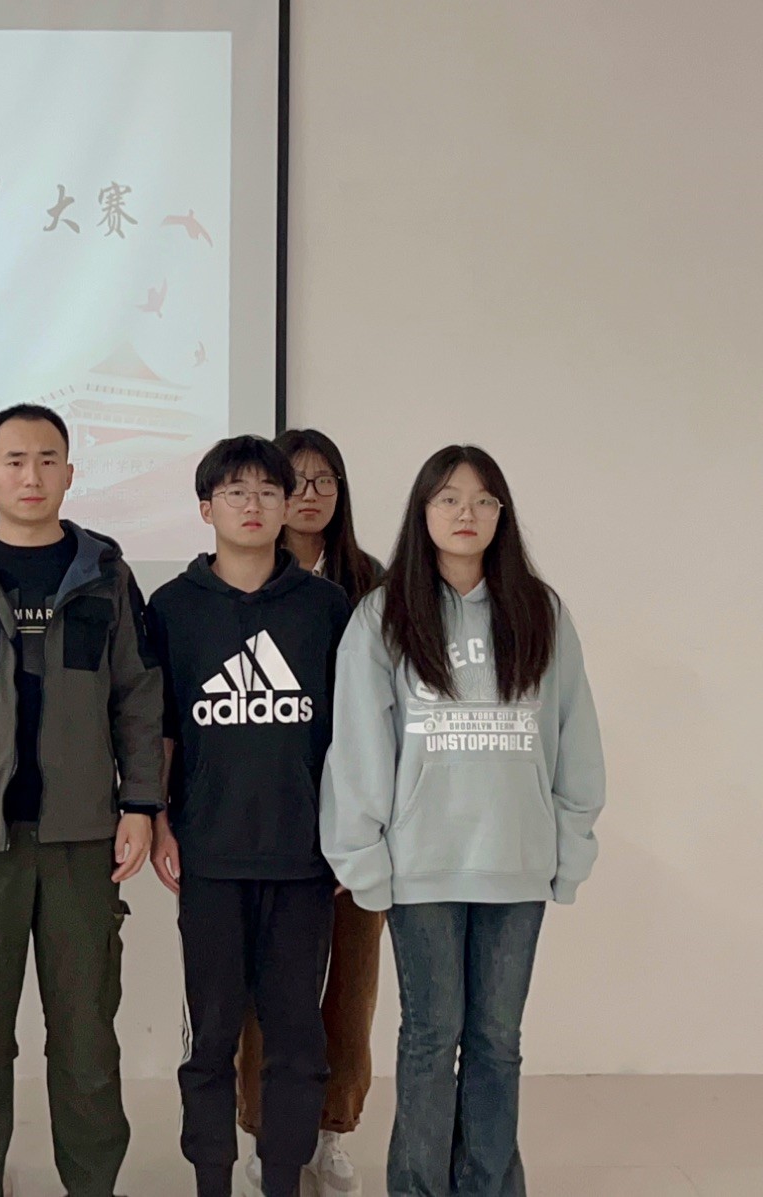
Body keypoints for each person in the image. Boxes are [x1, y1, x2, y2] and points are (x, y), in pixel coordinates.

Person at [321, 446, 605, 1197]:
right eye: (448, 498)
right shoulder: (385, 615)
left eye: (483, 500)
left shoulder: (541, 612)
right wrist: (362, 857)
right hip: (422, 867)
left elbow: (575, 736)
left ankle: (488, 1184)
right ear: (423, 512)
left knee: (497, 1042)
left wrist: (570, 848)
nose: (466, 513)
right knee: (428, 1038)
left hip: (517, 864)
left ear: (502, 514)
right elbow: (359, 744)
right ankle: (417, 1186)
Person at [0, 403, 163, 1197]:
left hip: (82, 841)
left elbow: (137, 698)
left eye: (48, 459)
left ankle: (93, 1184)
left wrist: (141, 803)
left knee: (87, 1042)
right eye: (14, 460)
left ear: (70, 473)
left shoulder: (106, 575)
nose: (31, 475)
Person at [145, 435, 351, 1197]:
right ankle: (211, 1178)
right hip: (210, 856)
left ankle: (284, 1178)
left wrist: (347, 839)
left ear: (287, 504)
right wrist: (159, 822)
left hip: (303, 860)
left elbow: (351, 735)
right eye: (236, 491)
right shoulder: (172, 607)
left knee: (297, 1039)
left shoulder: (326, 608)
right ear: (207, 508)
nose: (254, 504)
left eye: (269, 490)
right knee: (211, 1039)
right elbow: (160, 728)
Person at [232, 428, 386, 1197]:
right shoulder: (248, 578)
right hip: (276, 814)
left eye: (327, 479)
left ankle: (332, 1130)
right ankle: (268, 1131)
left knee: (350, 987)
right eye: (296, 478)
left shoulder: (374, 584)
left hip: (362, 813)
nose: (311, 493)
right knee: (271, 990)